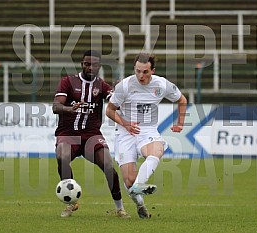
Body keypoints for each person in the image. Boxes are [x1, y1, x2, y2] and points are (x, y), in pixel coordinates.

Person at [106, 53, 187, 218]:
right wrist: (126, 124)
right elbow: (109, 110)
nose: (141, 76)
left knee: (156, 151)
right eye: (138, 71)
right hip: (125, 133)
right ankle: (140, 205)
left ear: (153, 70)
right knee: (129, 180)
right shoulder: (125, 86)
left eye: (145, 72)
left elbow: (182, 100)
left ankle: (139, 185)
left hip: (148, 130)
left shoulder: (162, 84)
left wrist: (180, 123)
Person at [52, 50, 129, 218]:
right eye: (87, 64)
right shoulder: (68, 82)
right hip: (68, 133)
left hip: (91, 135)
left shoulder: (102, 86)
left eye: (94, 64)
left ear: (99, 66)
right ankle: (71, 203)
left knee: (108, 166)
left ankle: (120, 208)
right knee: (62, 157)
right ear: (82, 64)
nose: (90, 67)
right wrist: (68, 108)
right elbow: (56, 106)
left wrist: (120, 92)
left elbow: (116, 103)